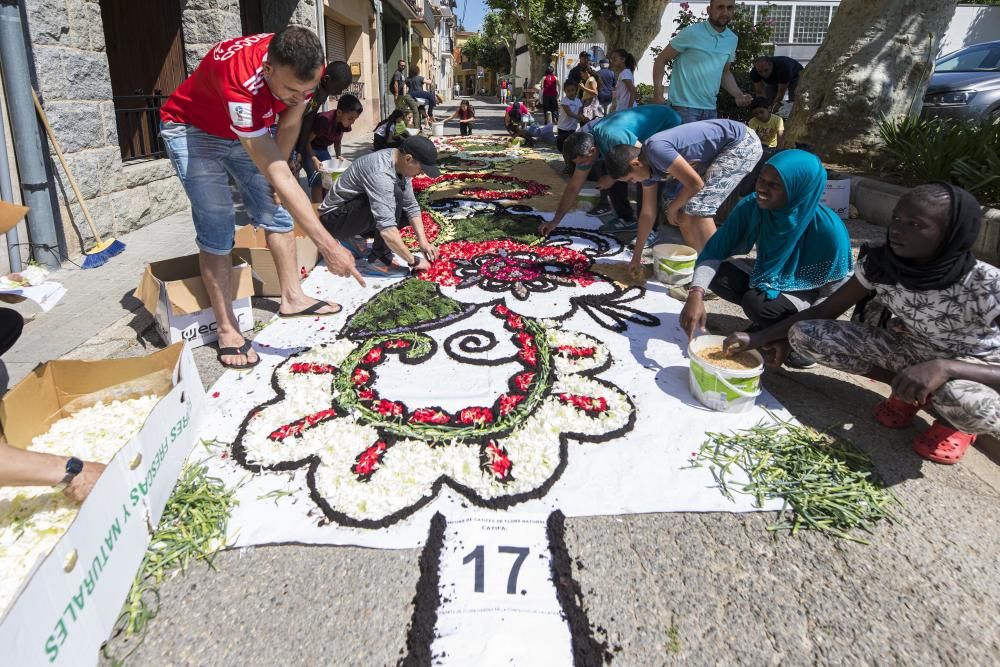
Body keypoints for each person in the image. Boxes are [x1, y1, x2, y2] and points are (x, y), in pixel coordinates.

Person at [723, 183, 1000, 465]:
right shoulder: (881, 263)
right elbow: (830, 309)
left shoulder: (986, 284)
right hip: (907, 349)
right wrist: (758, 339)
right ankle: (911, 393)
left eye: (915, 224)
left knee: (971, 406)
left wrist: (945, 367)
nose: (897, 230)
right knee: (804, 336)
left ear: (951, 233)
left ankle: (955, 425)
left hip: (970, 368)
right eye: (896, 219)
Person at [159, 27, 363, 370]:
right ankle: (227, 328)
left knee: (277, 211)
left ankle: (293, 298)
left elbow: (288, 125)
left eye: (308, 89)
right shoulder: (241, 85)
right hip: (194, 132)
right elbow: (281, 173)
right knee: (219, 222)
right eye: (290, 89)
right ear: (268, 70)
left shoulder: (302, 60)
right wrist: (328, 245)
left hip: (245, 131)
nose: (299, 97)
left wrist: (273, 181)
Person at [678, 150, 852, 368]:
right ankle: (768, 328)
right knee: (720, 274)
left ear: (799, 190)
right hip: (771, 275)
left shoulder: (828, 230)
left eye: (775, 185)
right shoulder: (753, 206)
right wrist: (696, 293)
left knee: (757, 303)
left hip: (811, 295)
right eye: (761, 179)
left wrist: (808, 335)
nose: (761, 188)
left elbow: (833, 294)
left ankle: (791, 340)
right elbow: (714, 251)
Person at [604, 118, 763, 251]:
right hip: (723, 149)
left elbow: (695, 184)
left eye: (631, 179)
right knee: (685, 213)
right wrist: (636, 257)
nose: (634, 183)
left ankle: (712, 269)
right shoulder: (647, 170)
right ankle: (697, 260)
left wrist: (672, 207)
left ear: (635, 164)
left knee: (700, 207)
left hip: (742, 143)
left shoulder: (656, 150)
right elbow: (647, 213)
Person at [537, 104, 683, 237]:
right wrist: (555, 221)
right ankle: (626, 219)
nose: (583, 166)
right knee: (614, 170)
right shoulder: (586, 145)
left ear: (593, 150)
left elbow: (644, 160)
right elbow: (573, 187)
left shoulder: (613, 137)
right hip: (636, 137)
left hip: (665, 123)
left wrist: (612, 177)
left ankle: (651, 229)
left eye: (582, 162)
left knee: (644, 177)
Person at [319, 135, 441, 278]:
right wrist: (413, 261)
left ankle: (353, 238)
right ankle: (379, 260)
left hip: (350, 213)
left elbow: (411, 205)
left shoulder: (398, 163)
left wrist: (424, 243)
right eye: (422, 169)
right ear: (408, 159)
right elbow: (387, 227)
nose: (421, 173)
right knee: (394, 197)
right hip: (333, 219)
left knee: (402, 208)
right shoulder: (380, 172)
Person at [651, 0, 753, 122]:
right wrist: (658, 94)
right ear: (709, 10)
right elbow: (661, 60)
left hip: (710, 109)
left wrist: (738, 95)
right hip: (683, 108)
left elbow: (725, 73)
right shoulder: (691, 33)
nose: (725, 12)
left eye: (729, 8)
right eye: (720, 7)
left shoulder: (732, 39)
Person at [301, 93, 363, 203]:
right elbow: (307, 141)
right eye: (350, 118)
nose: (352, 122)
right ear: (339, 113)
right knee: (317, 180)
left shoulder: (344, 124)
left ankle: (326, 205)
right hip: (308, 149)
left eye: (355, 119)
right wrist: (314, 159)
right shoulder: (324, 121)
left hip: (322, 149)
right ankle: (317, 210)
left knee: (328, 178)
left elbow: (338, 142)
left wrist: (339, 156)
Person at [295, 60, 352, 168]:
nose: (339, 93)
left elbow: (309, 117)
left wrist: (300, 149)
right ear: (326, 79)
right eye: (338, 88)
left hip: (295, 133)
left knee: (295, 168)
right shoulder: (309, 87)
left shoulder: (323, 92)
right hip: (279, 129)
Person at [557, 81, 584, 173]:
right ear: (565, 91)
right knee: (563, 148)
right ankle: (567, 164)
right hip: (563, 128)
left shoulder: (578, 101)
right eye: (568, 91)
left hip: (572, 129)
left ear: (576, 90)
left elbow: (580, 112)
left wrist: (582, 117)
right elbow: (569, 113)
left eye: (573, 90)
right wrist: (579, 117)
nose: (571, 93)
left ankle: (569, 165)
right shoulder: (564, 101)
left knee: (570, 147)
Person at [391, 59, 422, 129]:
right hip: (399, 96)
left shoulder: (401, 73)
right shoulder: (397, 73)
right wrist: (396, 94)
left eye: (404, 66)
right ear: (398, 65)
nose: (403, 67)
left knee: (403, 111)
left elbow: (403, 85)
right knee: (400, 111)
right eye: (401, 65)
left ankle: (402, 127)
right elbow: (395, 84)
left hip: (402, 95)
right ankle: (397, 127)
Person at [610, 49, 638, 114]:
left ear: (623, 59)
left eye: (615, 58)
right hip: (623, 110)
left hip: (626, 112)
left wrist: (629, 110)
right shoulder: (625, 72)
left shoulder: (624, 73)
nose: (612, 61)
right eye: (611, 59)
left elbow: (633, 91)